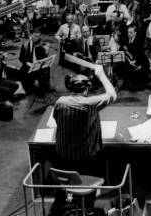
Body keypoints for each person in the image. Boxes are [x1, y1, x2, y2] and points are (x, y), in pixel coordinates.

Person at [50, 66, 116, 216]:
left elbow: (57, 119)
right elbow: (112, 94)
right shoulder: (90, 104)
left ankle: (64, 204)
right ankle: (88, 206)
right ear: (85, 90)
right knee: (98, 160)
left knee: (68, 180)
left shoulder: (60, 102)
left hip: (62, 161)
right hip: (86, 161)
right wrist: (101, 74)